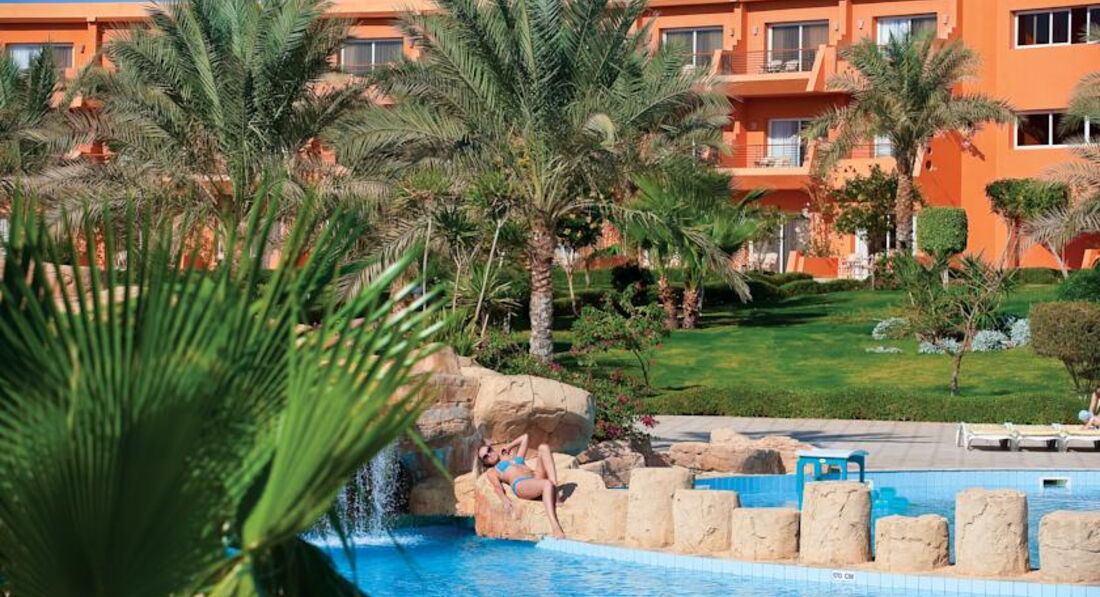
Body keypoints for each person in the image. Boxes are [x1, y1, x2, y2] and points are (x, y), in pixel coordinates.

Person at [477, 432, 565, 539]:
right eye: (485, 457)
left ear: (492, 449)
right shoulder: (493, 471)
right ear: (486, 462)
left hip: (534, 479)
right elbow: (497, 487)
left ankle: (555, 489)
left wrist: (509, 446)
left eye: (489, 450)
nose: (489, 455)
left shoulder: (512, 458)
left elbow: (525, 437)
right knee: (547, 484)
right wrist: (504, 499)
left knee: (543, 447)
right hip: (521, 485)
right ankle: (555, 527)